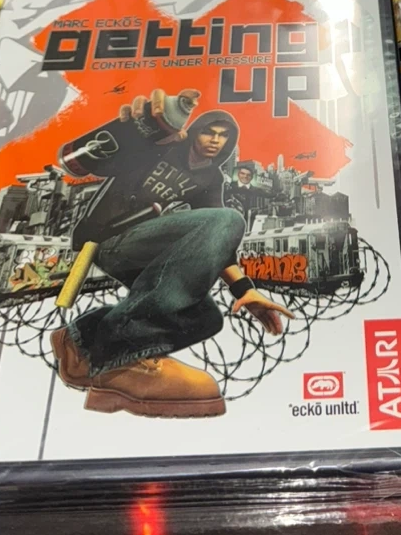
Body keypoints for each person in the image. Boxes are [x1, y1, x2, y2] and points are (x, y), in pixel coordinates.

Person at [51, 91, 291, 418]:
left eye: (223, 136)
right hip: (108, 240)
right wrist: (135, 132)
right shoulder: (161, 147)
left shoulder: (211, 178)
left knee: (205, 317)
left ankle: (79, 343)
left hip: (146, 250)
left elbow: (217, 236)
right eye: (209, 132)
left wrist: (244, 290)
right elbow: (92, 159)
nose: (215, 140)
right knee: (230, 219)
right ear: (194, 132)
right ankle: (119, 356)